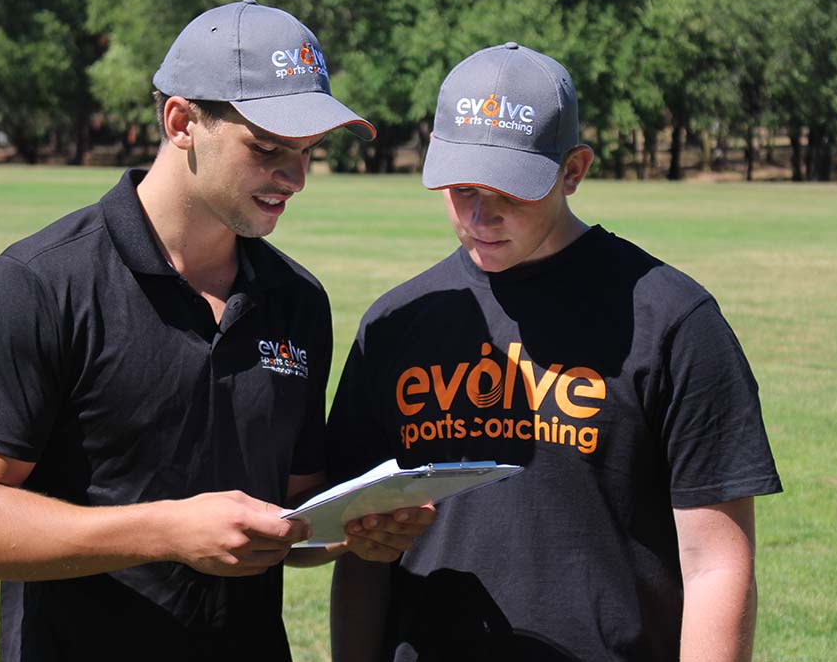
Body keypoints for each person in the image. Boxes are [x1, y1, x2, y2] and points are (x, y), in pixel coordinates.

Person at [0, 0, 433, 662]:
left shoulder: (297, 302)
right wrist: (168, 531)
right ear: (181, 121)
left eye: (309, 152)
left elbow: (292, 511)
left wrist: (351, 528)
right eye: (268, 147)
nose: (295, 178)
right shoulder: (36, 285)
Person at [325, 42, 782, 661]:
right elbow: (357, 552)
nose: (481, 215)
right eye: (460, 189)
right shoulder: (397, 323)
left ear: (573, 171)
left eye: (510, 191)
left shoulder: (672, 321)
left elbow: (716, 564)